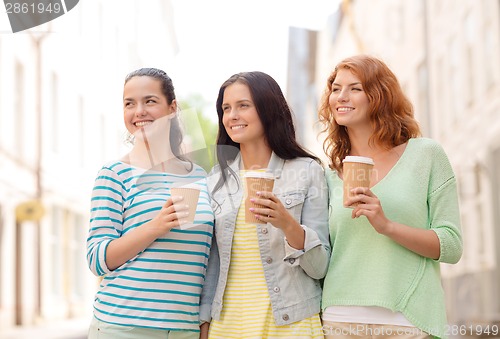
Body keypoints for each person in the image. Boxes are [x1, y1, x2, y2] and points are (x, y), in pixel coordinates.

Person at [318, 55, 463, 339]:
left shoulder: (425, 155)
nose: (341, 96)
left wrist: (387, 226)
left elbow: (451, 245)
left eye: (355, 88)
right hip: (340, 321)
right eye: (336, 88)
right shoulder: (328, 175)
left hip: (408, 320)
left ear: (379, 96)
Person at [199, 71, 330, 339]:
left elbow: (320, 267)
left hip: (291, 322)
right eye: (226, 108)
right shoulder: (215, 181)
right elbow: (211, 264)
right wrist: (204, 325)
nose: (232, 115)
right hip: (228, 325)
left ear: (268, 109)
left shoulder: (307, 171)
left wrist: (287, 224)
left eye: (243, 105)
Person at [86, 68, 214, 339]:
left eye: (150, 101)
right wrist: (154, 227)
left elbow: (206, 259)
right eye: (129, 103)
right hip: (122, 326)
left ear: (172, 108)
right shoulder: (114, 173)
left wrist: (203, 324)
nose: (139, 111)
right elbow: (97, 259)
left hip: (184, 329)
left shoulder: (199, 176)